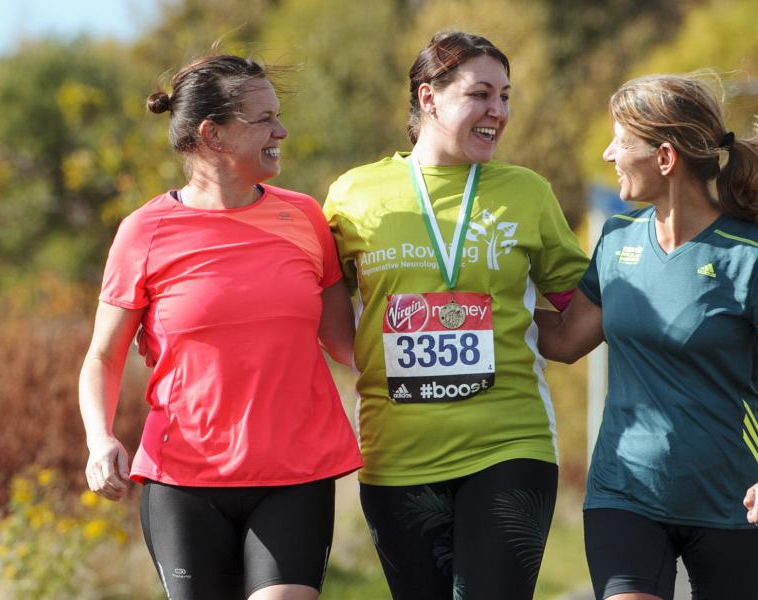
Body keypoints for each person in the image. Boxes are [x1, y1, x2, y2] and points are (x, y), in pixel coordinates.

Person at [78, 54, 362, 600]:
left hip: (294, 472)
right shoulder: (144, 232)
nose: (281, 131)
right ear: (213, 135)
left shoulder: (304, 217)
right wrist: (100, 438)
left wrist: (433, 346)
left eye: (278, 115)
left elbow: (345, 343)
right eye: (263, 119)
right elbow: (102, 358)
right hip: (184, 479)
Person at [535, 73, 758, 600]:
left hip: (734, 502)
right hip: (623, 495)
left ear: (664, 158)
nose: (608, 154)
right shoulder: (615, 241)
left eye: (621, 142)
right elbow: (562, 342)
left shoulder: (752, 257)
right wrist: (481, 295)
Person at [322, 31, 589, 598]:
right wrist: (381, 361)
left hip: (509, 442)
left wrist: (642, 269)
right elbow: (330, 314)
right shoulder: (353, 195)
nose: (500, 111)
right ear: (429, 97)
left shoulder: (527, 192)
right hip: (397, 455)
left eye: (506, 96)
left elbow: (575, 312)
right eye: (482, 95)